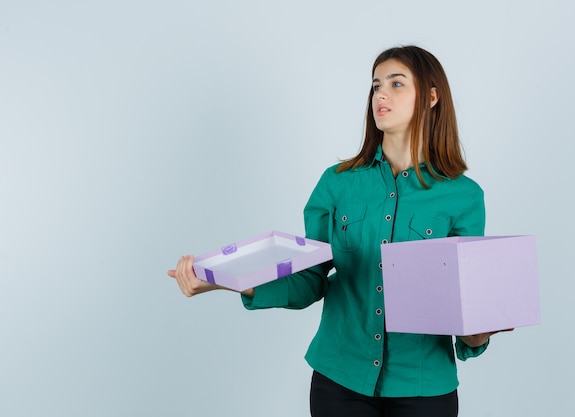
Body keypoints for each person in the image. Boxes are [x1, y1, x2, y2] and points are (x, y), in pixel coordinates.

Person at [169, 45, 509, 417]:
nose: (381, 94)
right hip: (340, 380)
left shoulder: (464, 196)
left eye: (397, 84)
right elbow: (309, 280)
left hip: (425, 386)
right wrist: (227, 280)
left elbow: (464, 304)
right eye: (376, 85)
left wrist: (478, 334)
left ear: (431, 97)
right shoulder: (336, 185)